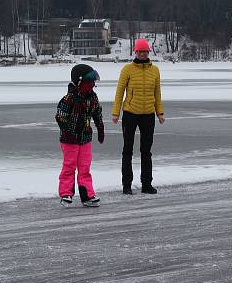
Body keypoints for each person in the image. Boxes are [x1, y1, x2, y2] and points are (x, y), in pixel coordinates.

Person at [111, 39, 165, 195]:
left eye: (145, 51)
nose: (143, 54)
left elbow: (157, 93)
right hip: (130, 114)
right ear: (135, 52)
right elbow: (120, 92)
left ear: (149, 52)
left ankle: (146, 184)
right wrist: (116, 113)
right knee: (127, 150)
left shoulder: (155, 71)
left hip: (148, 115)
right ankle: (126, 185)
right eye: (140, 51)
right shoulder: (127, 69)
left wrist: (159, 113)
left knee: (146, 151)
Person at [55, 64, 104, 207]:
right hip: (69, 140)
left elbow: (97, 113)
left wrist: (100, 127)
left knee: (85, 168)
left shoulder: (92, 97)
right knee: (69, 166)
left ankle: (87, 195)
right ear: (80, 82)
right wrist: (67, 132)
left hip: (85, 139)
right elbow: (60, 116)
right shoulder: (68, 99)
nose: (93, 85)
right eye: (90, 81)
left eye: (94, 82)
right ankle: (66, 194)